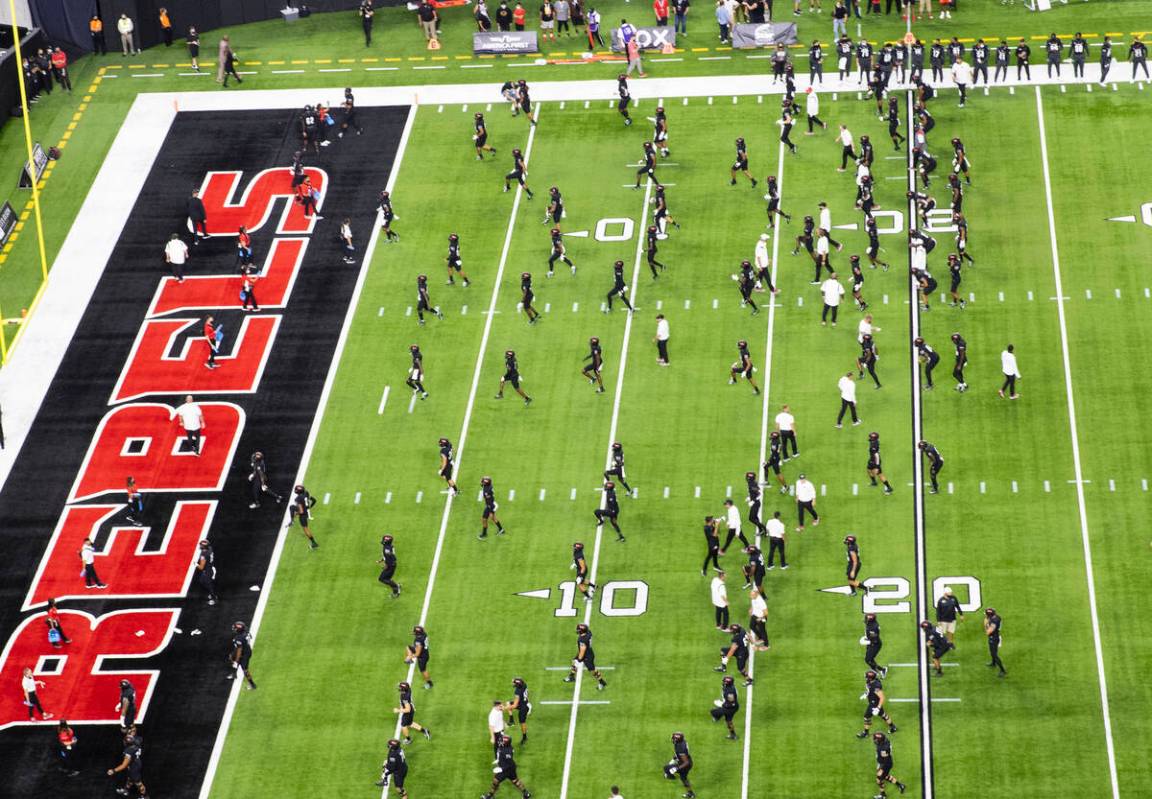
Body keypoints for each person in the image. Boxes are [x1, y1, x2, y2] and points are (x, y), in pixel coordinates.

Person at [564, 623, 608, 688]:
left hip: (587, 656)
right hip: (588, 652)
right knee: (574, 662)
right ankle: (571, 676)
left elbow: (583, 650)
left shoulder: (582, 639)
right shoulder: (589, 633)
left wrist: (579, 659)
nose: (577, 630)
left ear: (581, 631)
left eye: (578, 629)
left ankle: (602, 682)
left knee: (593, 670)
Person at [107, 730, 146, 797]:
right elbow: (135, 734)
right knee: (129, 779)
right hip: (136, 763)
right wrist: (130, 733)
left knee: (138, 783)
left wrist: (113, 771)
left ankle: (144, 796)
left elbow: (124, 765)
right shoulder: (138, 742)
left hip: (134, 768)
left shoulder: (128, 751)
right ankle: (126, 790)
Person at [664, 732, 695, 797]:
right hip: (684, 762)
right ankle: (691, 794)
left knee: (666, 768)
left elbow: (686, 762)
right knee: (683, 778)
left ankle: (671, 776)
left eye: (673, 738)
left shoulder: (680, 748)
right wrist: (673, 760)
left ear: (676, 740)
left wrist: (677, 768)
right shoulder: (682, 742)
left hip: (684, 765)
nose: (672, 739)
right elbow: (678, 755)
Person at [710, 675, 740, 739]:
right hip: (732, 707)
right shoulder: (730, 688)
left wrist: (723, 705)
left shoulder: (730, 692)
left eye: (725, 682)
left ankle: (717, 717)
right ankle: (733, 735)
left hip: (730, 708)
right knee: (728, 721)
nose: (723, 682)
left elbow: (731, 703)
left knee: (713, 712)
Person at [506, 677, 532, 742]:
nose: (513, 683)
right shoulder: (524, 685)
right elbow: (527, 692)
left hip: (523, 707)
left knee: (522, 723)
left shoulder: (517, 691)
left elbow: (514, 705)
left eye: (514, 683)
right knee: (508, 703)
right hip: (524, 703)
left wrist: (503, 708)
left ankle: (524, 737)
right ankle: (511, 721)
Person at [984, 607, 1006, 676]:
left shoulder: (994, 621)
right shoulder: (997, 617)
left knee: (994, 654)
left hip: (994, 638)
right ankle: (993, 663)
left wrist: (985, 624)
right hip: (995, 637)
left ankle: (1002, 670)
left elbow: (988, 632)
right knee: (992, 652)